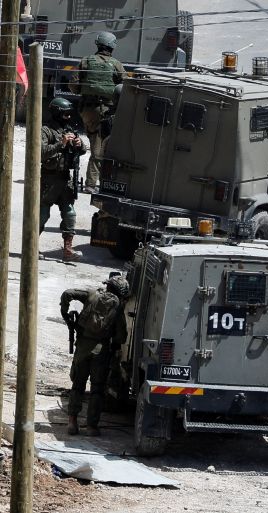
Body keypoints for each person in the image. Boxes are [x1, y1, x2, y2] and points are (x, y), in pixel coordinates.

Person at [61, 274, 130, 436]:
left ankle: (72, 422)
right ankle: (91, 426)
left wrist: (65, 314)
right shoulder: (117, 305)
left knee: (77, 385)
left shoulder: (91, 294)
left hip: (83, 348)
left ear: (108, 286)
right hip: (102, 351)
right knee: (97, 389)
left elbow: (67, 293)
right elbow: (121, 335)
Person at [69, 31, 126, 193]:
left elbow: (73, 86)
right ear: (112, 47)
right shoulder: (116, 65)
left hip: (87, 111)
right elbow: (126, 88)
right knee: (99, 150)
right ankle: (91, 185)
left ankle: (98, 182)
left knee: (98, 144)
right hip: (105, 112)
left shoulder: (86, 61)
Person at [41, 98, 88, 261]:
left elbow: (82, 151)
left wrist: (79, 143)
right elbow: (41, 151)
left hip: (65, 179)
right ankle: (31, 247)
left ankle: (68, 250)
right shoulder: (46, 130)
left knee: (70, 214)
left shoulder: (68, 129)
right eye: (65, 114)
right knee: (42, 215)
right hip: (49, 179)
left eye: (69, 114)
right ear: (56, 113)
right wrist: (60, 144)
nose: (68, 117)